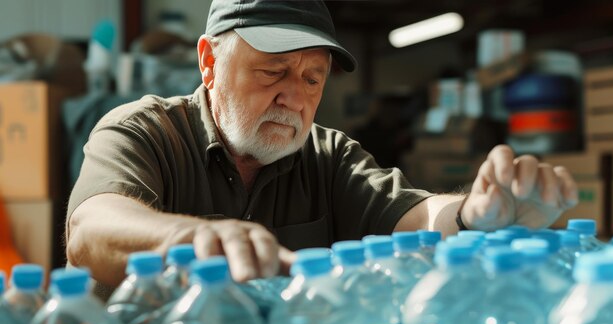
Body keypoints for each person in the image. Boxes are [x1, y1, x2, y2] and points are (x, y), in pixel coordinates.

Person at [65, 0, 578, 300]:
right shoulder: (143, 132)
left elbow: (417, 215)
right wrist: (192, 235)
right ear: (209, 61)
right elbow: (90, 232)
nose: (295, 97)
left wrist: (476, 213)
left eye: (314, 79)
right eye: (273, 72)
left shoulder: (327, 155)